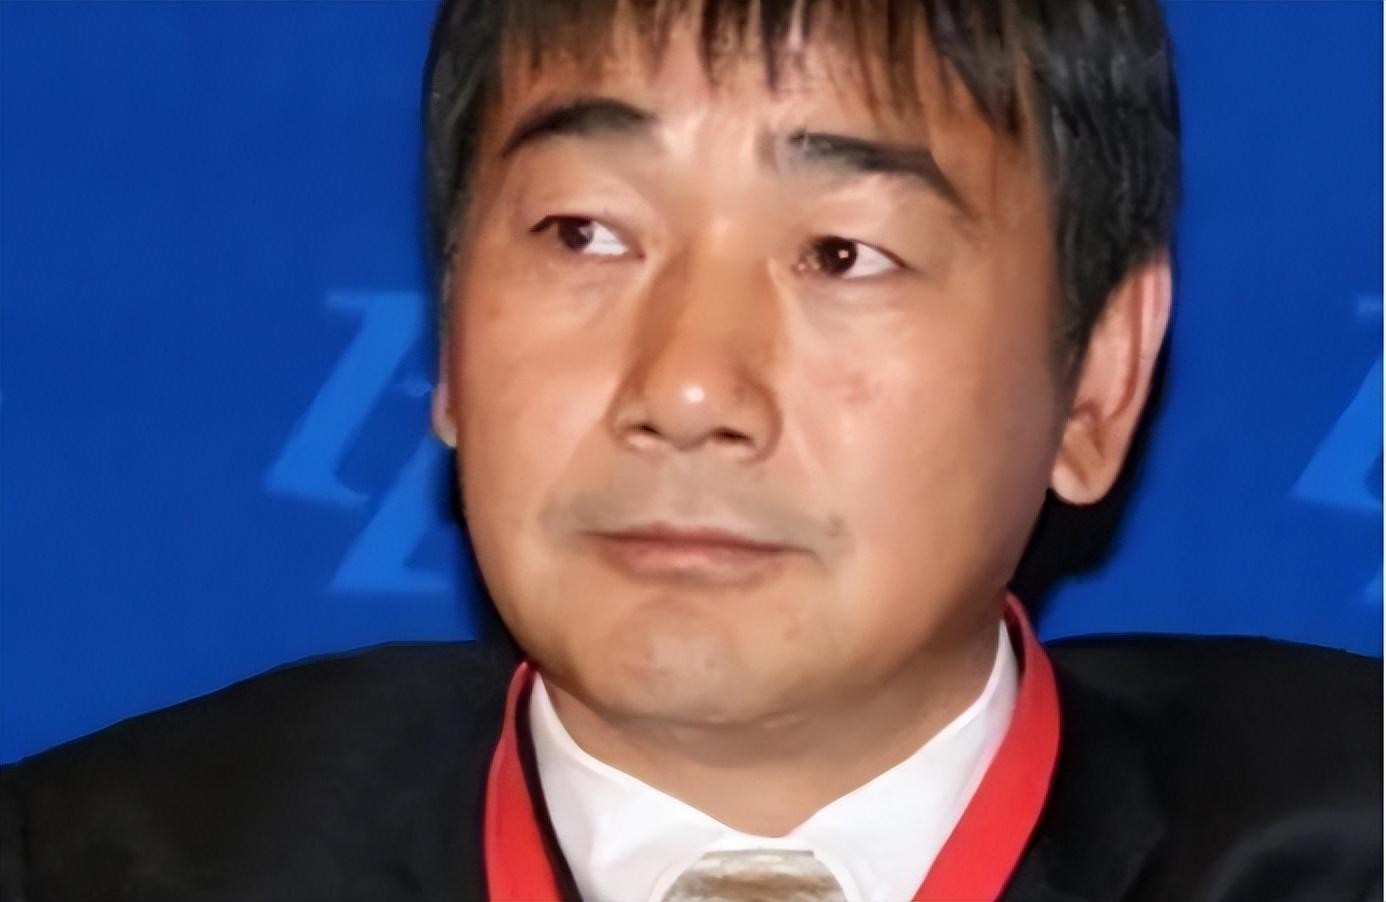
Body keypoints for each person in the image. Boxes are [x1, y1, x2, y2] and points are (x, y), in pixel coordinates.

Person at [2, 1, 1379, 899]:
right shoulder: (90, 865)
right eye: (585, 234)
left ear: (1096, 379)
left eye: (841, 253)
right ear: (452, 343)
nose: (686, 386)